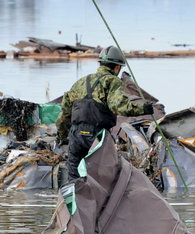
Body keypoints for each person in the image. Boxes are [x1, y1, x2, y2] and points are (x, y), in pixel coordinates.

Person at [56, 46, 153, 181]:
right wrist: (143, 109)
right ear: (117, 68)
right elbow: (118, 106)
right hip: (97, 135)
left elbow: (64, 114)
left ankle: (75, 198)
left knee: (74, 177)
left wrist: (61, 136)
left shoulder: (80, 82)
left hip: (76, 135)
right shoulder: (112, 81)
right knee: (103, 176)